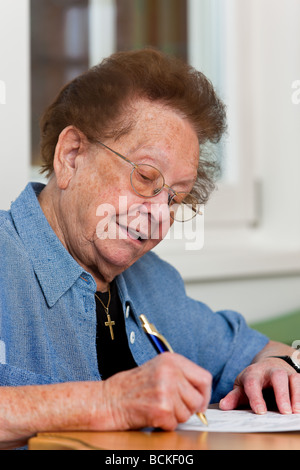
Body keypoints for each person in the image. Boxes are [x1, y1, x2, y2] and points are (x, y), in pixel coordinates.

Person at [0, 49, 299, 450]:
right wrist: (109, 403)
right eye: (144, 177)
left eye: (175, 198)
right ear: (71, 156)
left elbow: (264, 349)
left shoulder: (156, 283)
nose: (160, 215)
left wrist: (274, 367)